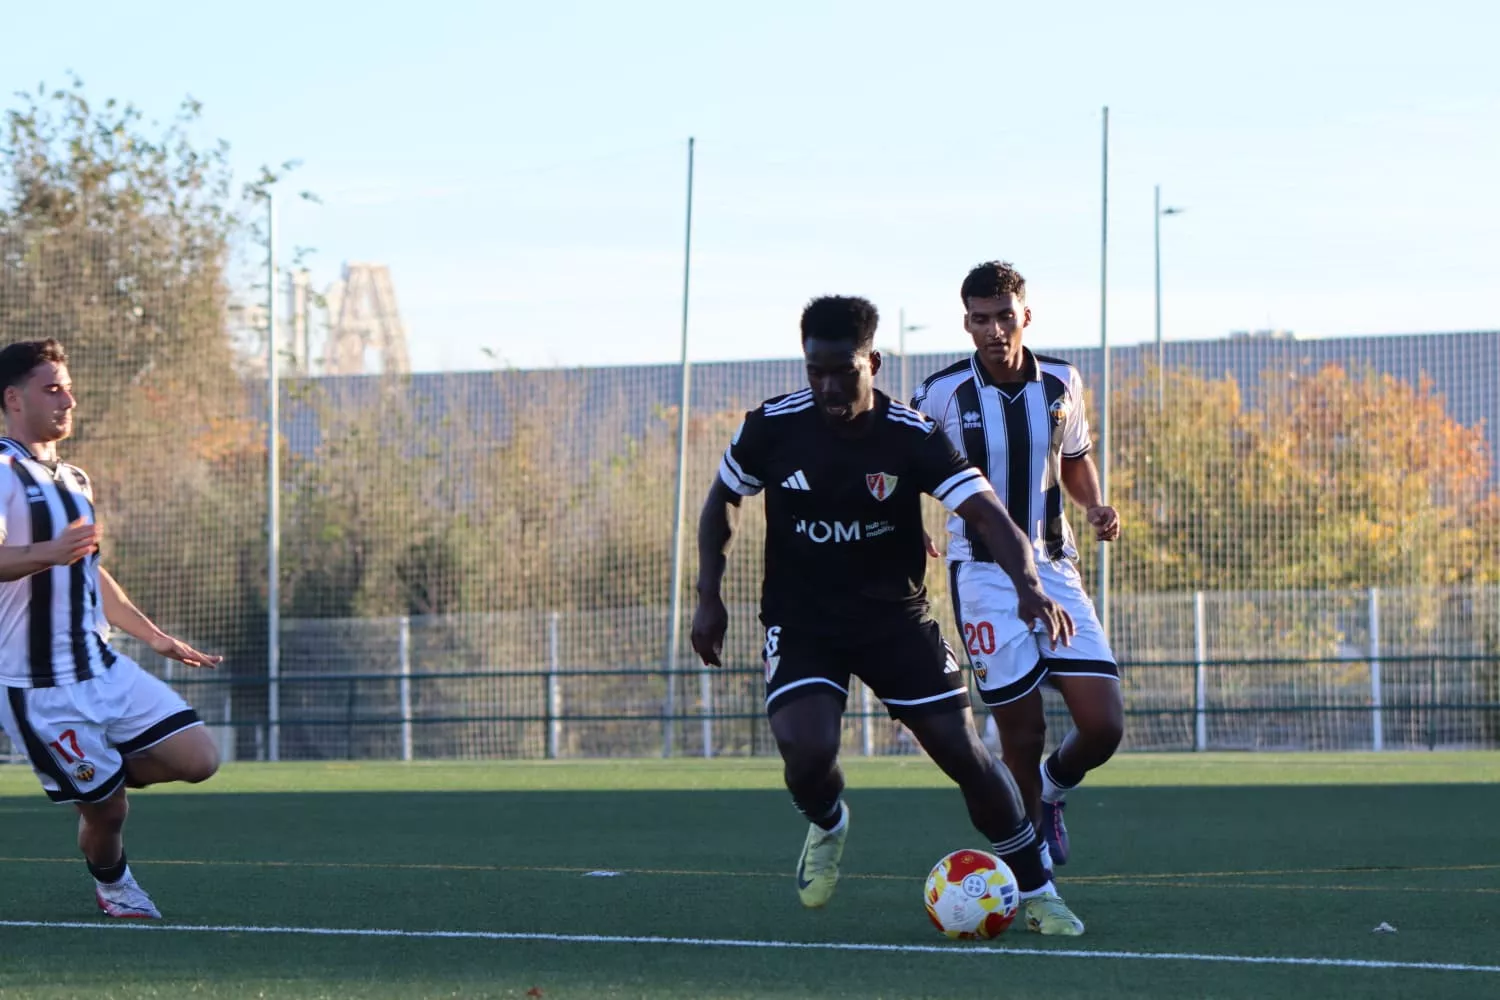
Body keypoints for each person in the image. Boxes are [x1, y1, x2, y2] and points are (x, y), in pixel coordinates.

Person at [690, 295, 1086, 935]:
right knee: (806, 751)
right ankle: (828, 823)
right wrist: (709, 594)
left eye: (842, 371)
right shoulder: (771, 427)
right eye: (814, 370)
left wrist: (1030, 586)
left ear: (872, 361)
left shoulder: (911, 434)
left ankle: (1038, 889)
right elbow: (721, 503)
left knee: (964, 753)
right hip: (804, 620)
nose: (826, 385)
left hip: (894, 621)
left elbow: (989, 514)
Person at [0, 339, 223, 919]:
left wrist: (153, 635)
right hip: (39, 686)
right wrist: (49, 549)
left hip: (100, 664)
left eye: (68, 387)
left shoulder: (75, 476)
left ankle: (92, 783)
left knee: (199, 759)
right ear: (12, 398)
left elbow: (91, 570)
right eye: (52, 388)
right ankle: (115, 884)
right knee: (110, 814)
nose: (68, 399)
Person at [912, 261, 1124, 870]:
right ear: (967, 323)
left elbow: (1076, 457)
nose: (995, 330)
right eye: (982, 319)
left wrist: (1094, 505)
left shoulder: (1061, 382)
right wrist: (909, 529)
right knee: (1021, 734)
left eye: (1005, 317)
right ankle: (1031, 865)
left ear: (1025, 316)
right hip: (980, 575)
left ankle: (1055, 791)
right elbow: (902, 469)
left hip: (1054, 564)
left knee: (1103, 724)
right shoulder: (941, 393)